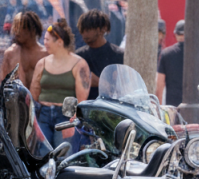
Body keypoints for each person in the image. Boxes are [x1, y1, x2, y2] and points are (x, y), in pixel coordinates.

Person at [30, 19, 90, 147]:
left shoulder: (79, 64)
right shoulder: (42, 63)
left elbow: (81, 100)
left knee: (63, 157)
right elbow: (33, 95)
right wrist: (34, 122)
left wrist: (72, 122)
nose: (44, 43)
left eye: (47, 40)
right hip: (43, 115)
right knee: (42, 157)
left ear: (59, 42)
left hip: (65, 116)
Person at [75, 9, 125, 101]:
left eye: (88, 30)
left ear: (102, 29)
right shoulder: (78, 56)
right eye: (82, 30)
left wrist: (98, 82)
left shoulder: (119, 55)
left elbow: (124, 89)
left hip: (111, 109)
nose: (84, 34)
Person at [1, 11, 46, 87]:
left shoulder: (45, 55)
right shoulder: (10, 53)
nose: (15, 31)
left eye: (20, 27)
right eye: (15, 27)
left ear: (32, 30)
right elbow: (3, 82)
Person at [156, 20, 185, 106]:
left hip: (173, 108)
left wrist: (159, 110)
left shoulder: (166, 54)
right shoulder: (198, 55)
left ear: (176, 34)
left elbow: (159, 86)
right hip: (195, 108)